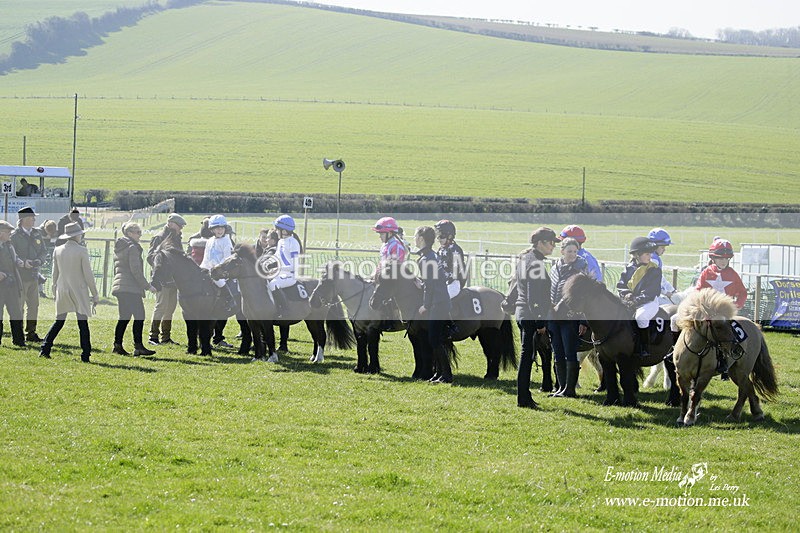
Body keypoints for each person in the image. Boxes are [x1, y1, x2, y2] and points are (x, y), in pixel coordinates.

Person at [39, 222, 100, 362]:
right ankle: (85, 354)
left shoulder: (58, 250)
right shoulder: (81, 251)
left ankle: (45, 348)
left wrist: (55, 289)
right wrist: (95, 294)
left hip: (62, 288)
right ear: (77, 235)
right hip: (78, 290)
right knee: (82, 323)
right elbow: (88, 275)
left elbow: (55, 273)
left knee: (59, 321)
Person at [514, 227, 557, 409]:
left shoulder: (527, 259)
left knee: (527, 356)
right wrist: (540, 322)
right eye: (550, 242)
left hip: (523, 312)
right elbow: (534, 298)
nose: (553, 246)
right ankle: (523, 398)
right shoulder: (535, 263)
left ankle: (524, 396)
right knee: (527, 357)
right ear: (540, 243)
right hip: (531, 315)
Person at [696, 238, 747, 374]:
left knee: (732, 334)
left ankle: (725, 361)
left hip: (725, 314)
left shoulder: (733, 274)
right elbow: (698, 291)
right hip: (707, 312)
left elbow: (742, 293)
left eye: (726, 258)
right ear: (713, 258)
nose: (723, 261)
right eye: (720, 258)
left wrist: (736, 306)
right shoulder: (706, 272)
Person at [548, 237, 589, 398]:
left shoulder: (580, 268)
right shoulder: (555, 267)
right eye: (569, 251)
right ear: (562, 251)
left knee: (569, 351)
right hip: (553, 316)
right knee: (557, 351)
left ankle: (570, 389)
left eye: (575, 251)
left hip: (570, 315)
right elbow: (551, 290)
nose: (572, 254)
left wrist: (583, 319)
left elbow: (584, 296)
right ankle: (561, 387)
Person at [414, 226, 453, 383]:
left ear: (422, 239)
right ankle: (439, 373)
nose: (414, 239)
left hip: (437, 303)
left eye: (416, 236)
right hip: (441, 301)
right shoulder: (431, 256)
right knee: (435, 339)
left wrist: (425, 305)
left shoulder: (426, 259)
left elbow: (430, 285)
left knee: (435, 340)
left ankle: (447, 375)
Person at [111, 222, 157, 357]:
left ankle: (117, 345)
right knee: (139, 316)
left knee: (124, 317)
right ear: (129, 233)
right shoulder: (132, 248)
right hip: (130, 288)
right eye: (137, 232)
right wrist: (147, 286)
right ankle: (138, 346)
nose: (140, 235)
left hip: (120, 287)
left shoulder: (121, 247)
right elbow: (135, 271)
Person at [617, 237, 662, 358]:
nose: (650, 256)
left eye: (650, 254)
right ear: (637, 255)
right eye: (647, 254)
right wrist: (626, 294)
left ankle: (644, 347)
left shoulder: (654, 269)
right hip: (629, 301)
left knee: (641, 317)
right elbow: (621, 285)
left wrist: (636, 300)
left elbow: (650, 292)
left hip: (648, 302)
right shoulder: (628, 268)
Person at [147, 213, 186, 345]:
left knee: (170, 308)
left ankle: (166, 337)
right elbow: (150, 257)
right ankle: (153, 336)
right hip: (162, 278)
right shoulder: (159, 238)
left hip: (174, 280)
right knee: (161, 307)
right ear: (170, 224)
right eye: (178, 226)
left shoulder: (177, 238)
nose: (180, 229)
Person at [10, 206, 48, 342]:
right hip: (20, 276)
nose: (34, 219)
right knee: (19, 307)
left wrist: (39, 260)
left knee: (34, 306)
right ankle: (18, 333)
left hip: (34, 275)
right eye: (32, 217)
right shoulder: (14, 236)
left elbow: (44, 251)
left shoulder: (37, 234)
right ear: (24, 219)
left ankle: (31, 332)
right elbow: (11, 254)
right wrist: (22, 262)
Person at [200, 214, 236, 348]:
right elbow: (206, 258)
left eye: (221, 228)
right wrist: (202, 269)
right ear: (212, 230)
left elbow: (227, 260)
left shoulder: (227, 241)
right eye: (217, 228)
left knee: (219, 281)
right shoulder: (209, 241)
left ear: (225, 228)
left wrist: (215, 270)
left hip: (221, 273)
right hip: (209, 270)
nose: (219, 230)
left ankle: (229, 298)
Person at [267, 215, 302, 319]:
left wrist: (279, 269)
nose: (276, 231)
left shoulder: (293, 243)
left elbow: (295, 265)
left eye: (277, 229)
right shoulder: (281, 242)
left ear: (284, 230)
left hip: (290, 275)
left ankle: (284, 309)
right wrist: (265, 263)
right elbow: (276, 257)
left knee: (273, 284)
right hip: (280, 273)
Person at [0, 220, 26, 347]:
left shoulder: (9, 245)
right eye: (7, 232)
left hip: (11, 285)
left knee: (16, 313)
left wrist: (19, 262)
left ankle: (19, 341)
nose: (10, 234)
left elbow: (15, 258)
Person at [434, 219, 467, 299]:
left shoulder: (455, 250)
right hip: (443, 282)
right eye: (438, 236)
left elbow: (454, 274)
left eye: (441, 236)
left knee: (441, 298)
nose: (439, 239)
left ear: (450, 236)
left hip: (454, 284)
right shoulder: (440, 250)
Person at [648, 227, 678, 303]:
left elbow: (661, 278)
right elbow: (653, 280)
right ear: (654, 246)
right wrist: (665, 292)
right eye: (662, 247)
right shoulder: (653, 259)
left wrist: (672, 290)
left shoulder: (654, 257)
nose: (664, 249)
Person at [37, 220, 58, 298]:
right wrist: (45, 237)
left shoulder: (56, 230)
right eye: (49, 232)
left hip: (50, 253)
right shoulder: (39, 231)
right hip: (39, 254)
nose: (50, 234)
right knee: (38, 272)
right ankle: (40, 291)